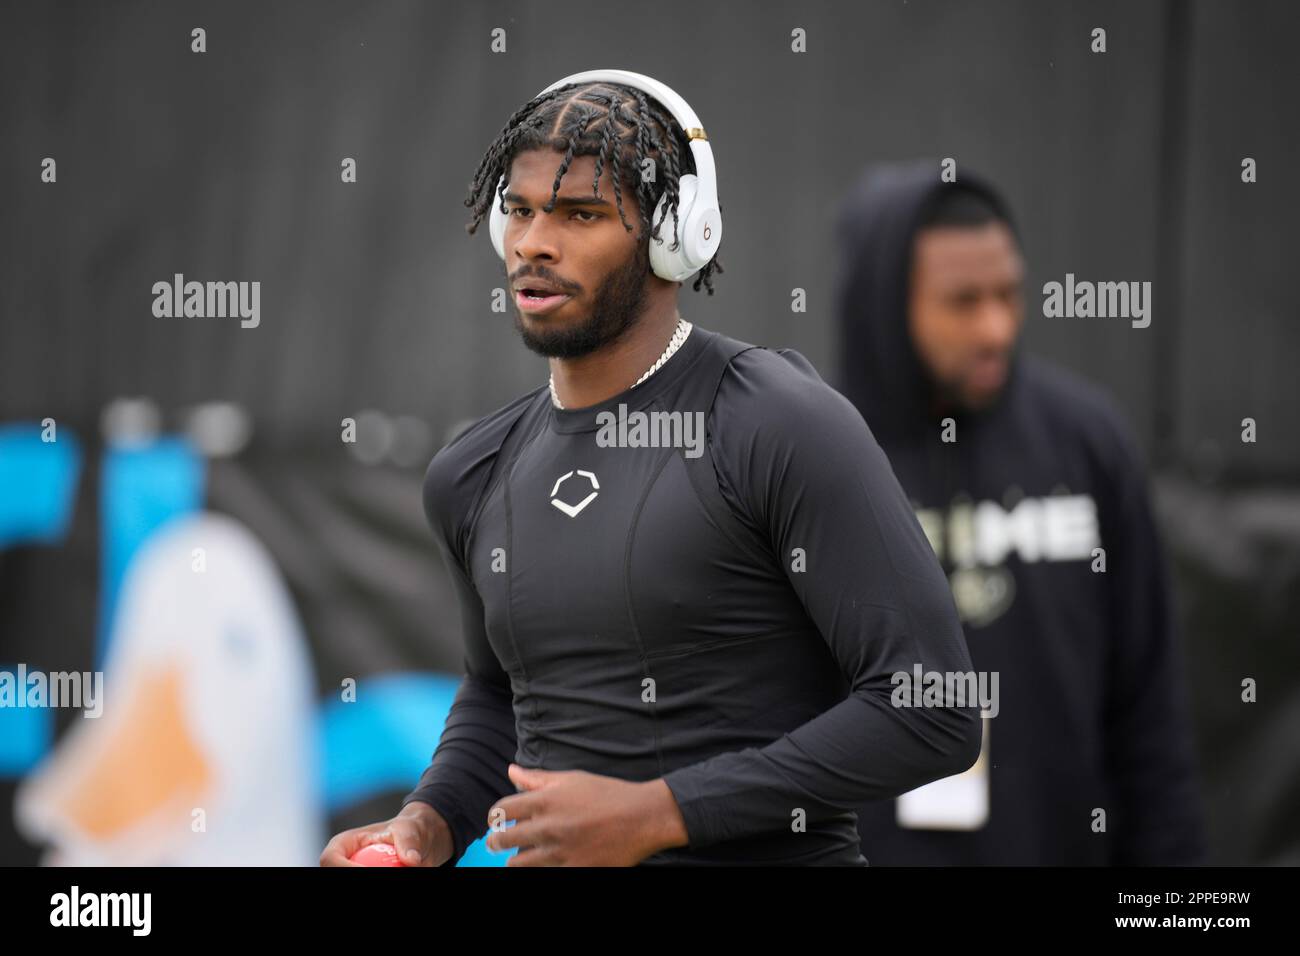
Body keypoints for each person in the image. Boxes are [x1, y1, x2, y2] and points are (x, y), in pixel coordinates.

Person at [321, 72, 980, 867]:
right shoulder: (471, 472)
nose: (535, 241)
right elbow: (502, 697)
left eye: (581, 214)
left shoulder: (779, 423)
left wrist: (663, 813)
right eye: (522, 210)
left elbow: (933, 711)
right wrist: (425, 824)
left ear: (676, 233)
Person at [834, 161, 1206, 865]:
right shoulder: (811, 458)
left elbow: (1150, 718)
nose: (996, 328)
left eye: (1010, 295)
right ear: (887, 305)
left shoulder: (1086, 446)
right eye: (963, 301)